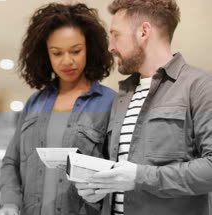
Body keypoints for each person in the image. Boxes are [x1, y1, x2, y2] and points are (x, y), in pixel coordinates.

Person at [75, 0, 212, 215]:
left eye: (116, 34)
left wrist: (141, 177)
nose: (111, 46)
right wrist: (100, 190)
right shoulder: (122, 96)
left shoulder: (202, 87)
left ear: (144, 32)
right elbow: (121, 175)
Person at [0, 3, 117, 215]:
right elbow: (11, 162)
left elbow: (118, 174)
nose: (67, 61)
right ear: (45, 55)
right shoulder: (35, 103)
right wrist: (10, 204)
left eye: (76, 51)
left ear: (90, 48)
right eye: (57, 53)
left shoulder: (109, 103)